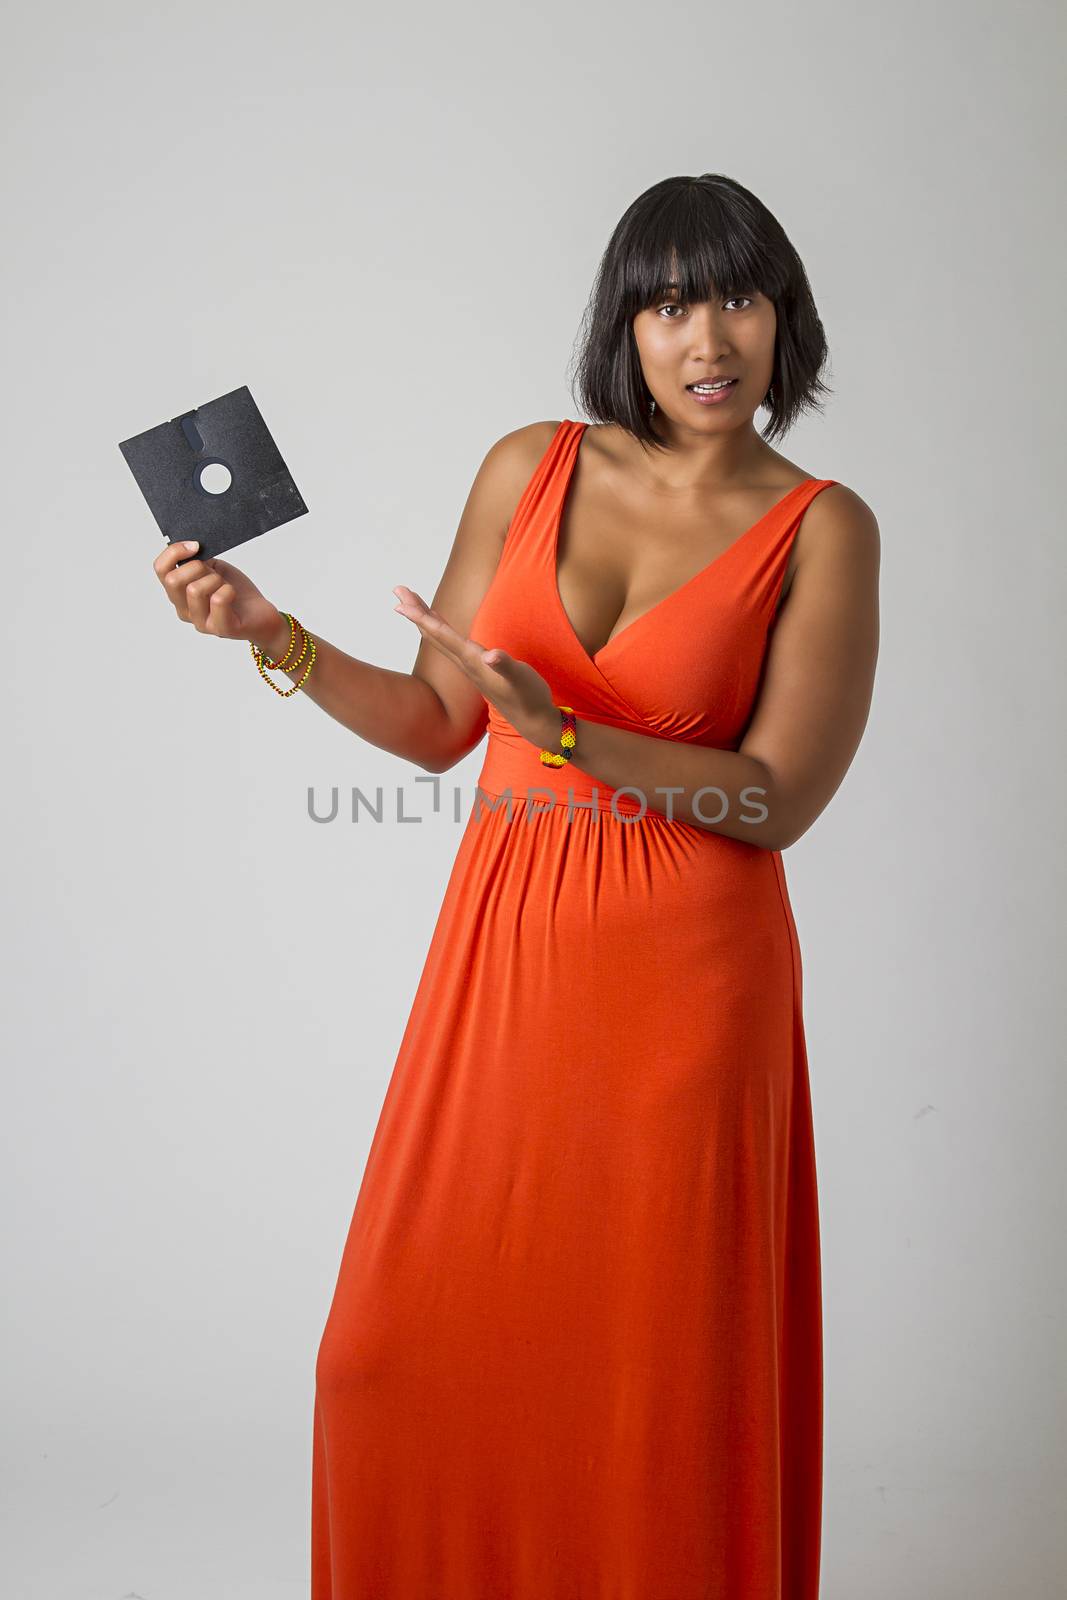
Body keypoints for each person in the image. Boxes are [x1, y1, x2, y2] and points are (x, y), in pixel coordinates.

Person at [153, 171, 880, 1599]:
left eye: (739, 296)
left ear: (785, 321)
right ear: (627, 325)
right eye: (670, 301)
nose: (707, 334)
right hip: (506, 966)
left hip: (691, 993)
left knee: (652, 1391)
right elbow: (436, 729)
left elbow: (775, 796)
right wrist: (272, 632)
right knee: (383, 1355)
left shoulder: (823, 526)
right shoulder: (529, 466)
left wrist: (563, 733)